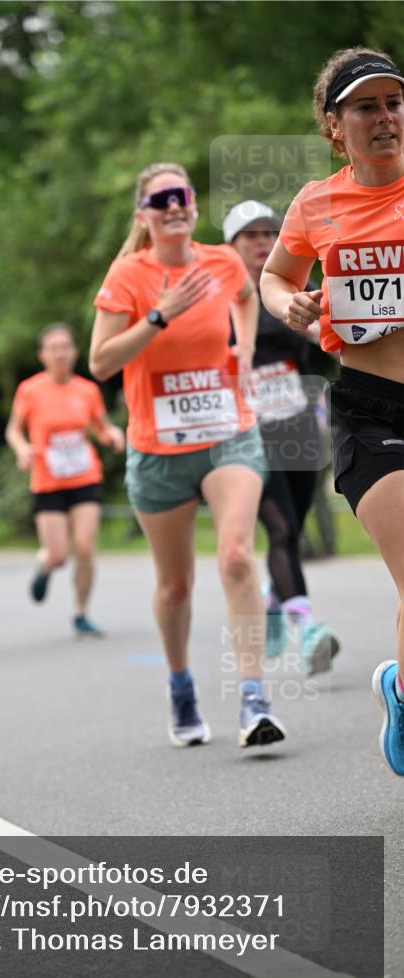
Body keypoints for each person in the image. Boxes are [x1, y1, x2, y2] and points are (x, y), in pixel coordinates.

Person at [90, 162, 286, 749]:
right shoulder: (128, 275)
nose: (176, 205)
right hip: (158, 450)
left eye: (184, 196)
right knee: (175, 586)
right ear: (144, 215)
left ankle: (254, 699)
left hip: (228, 433)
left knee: (235, 558)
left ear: (194, 207)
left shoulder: (223, 262)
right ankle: (180, 686)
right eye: (162, 199)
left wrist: (244, 347)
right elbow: (100, 362)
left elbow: (247, 297)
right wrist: (159, 314)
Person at [261, 48, 404, 776]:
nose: (383, 118)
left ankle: (399, 690)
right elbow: (276, 272)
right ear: (332, 125)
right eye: (364, 107)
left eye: (392, 103)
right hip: (371, 410)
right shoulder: (316, 203)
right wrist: (287, 301)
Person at [223, 200, 340, 673]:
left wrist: (321, 330)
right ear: (231, 245)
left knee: (294, 526)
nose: (262, 242)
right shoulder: (219, 297)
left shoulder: (293, 289)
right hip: (247, 433)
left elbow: (329, 335)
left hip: (296, 426)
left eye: (270, 233)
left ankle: (274, 600)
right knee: (282, 529)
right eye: (250, 235)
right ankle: (308, 627)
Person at [6, 323, 125, 638]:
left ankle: (81, 613)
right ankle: (45, 565)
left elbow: (100, 426)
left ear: (74, 352)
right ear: (42, 355)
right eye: (53, 348)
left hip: (85, 476)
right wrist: (22, 449)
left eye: (66, 347)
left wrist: (111, 434)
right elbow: (14, 430)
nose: (60, 353)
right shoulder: (30, 390)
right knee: (59, 555)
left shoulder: (87, 390)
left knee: (85, 547)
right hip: (47, 480)